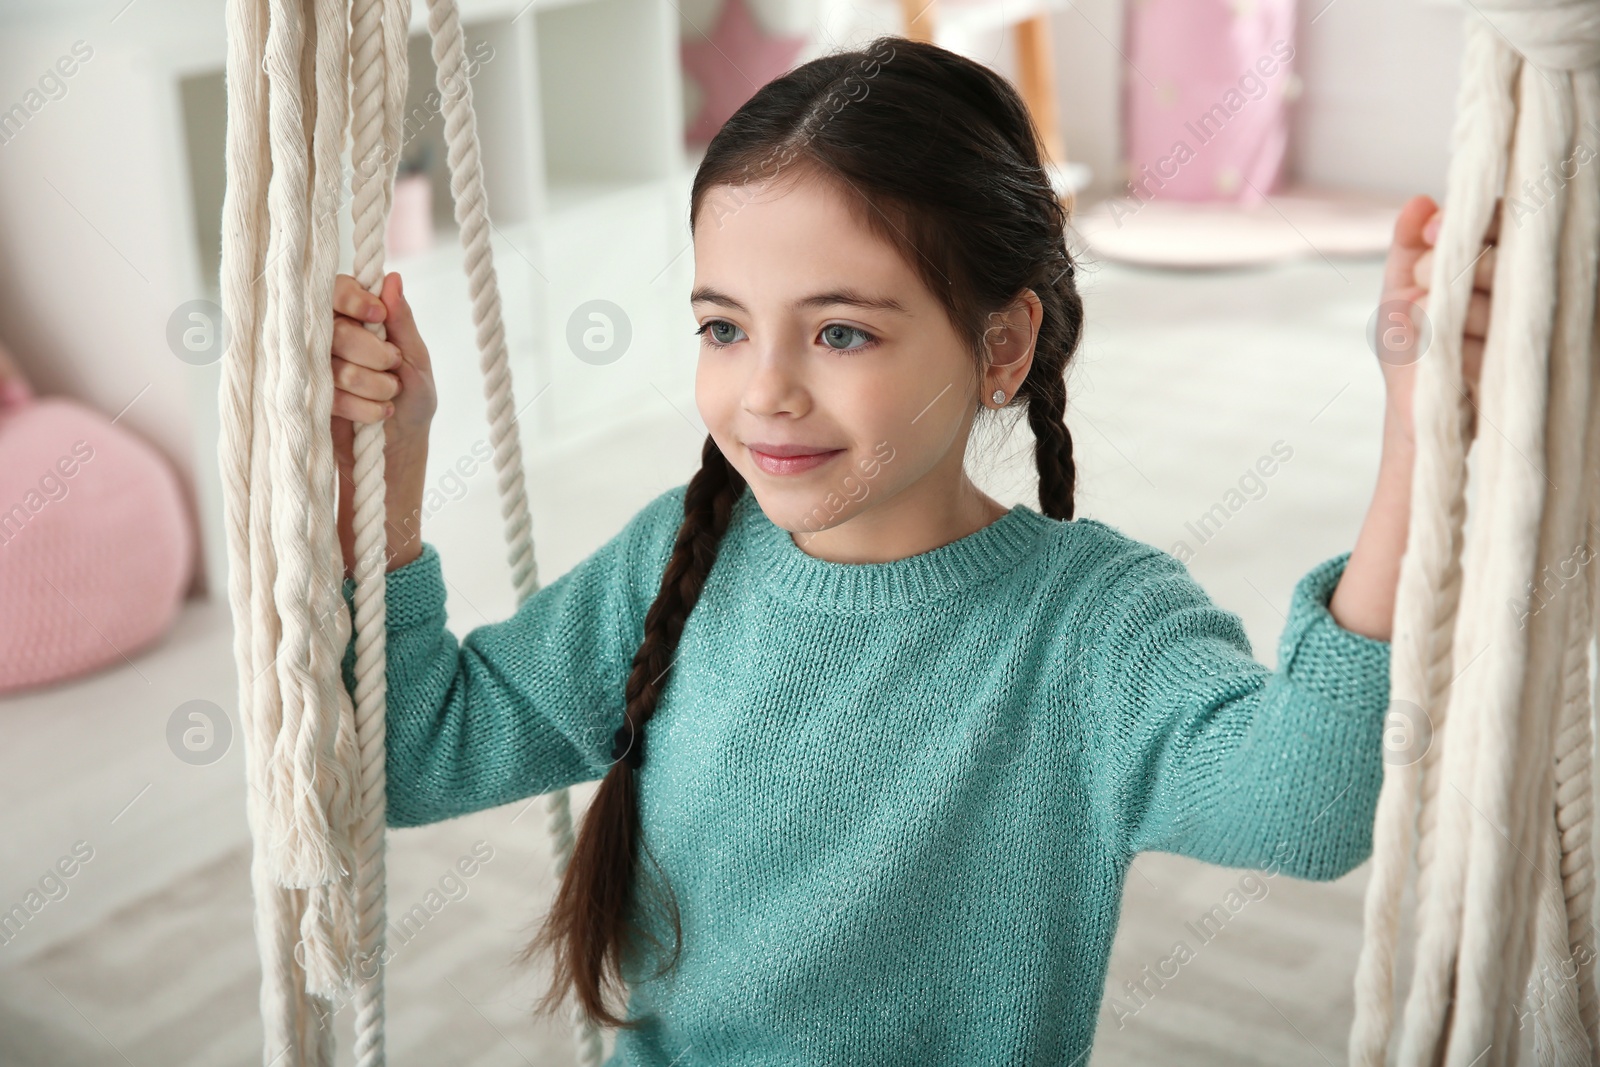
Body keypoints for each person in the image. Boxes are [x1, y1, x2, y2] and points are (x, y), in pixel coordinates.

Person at [326, 35, 1494, 1066]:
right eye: (723, 327)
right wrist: (386, 473)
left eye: (840, 331)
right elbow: (412, 755)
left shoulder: (1092, 624)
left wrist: (1416, 439)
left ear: (1000, 345)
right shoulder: (672, 564)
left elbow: (1304, 804)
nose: (764, 390)